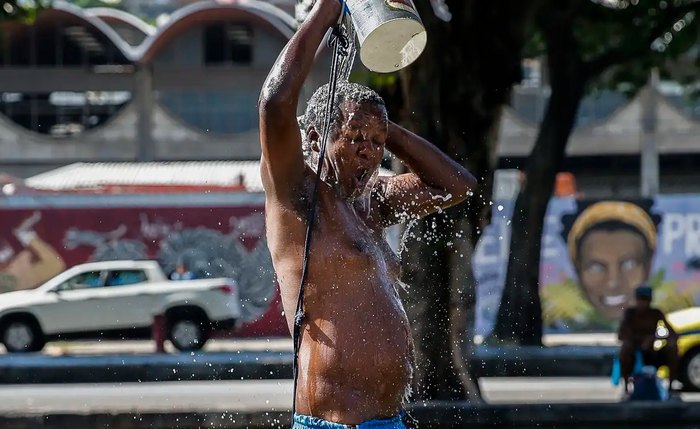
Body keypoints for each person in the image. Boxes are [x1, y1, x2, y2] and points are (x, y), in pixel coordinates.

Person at [258, 0, 476, 426]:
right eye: (355, 136)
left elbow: (458, 186)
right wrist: (326, 11)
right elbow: (274, 105)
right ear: (318, 137)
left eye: (376, 143)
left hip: (389, 420)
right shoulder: (298, 195)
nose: (369, 151)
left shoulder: (373, 202)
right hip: (334, 424)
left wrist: (384, 127)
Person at [565, 201, 658, 323]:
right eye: (596, 267)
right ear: (577, 270)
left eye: (629, 265)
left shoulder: (654, 316)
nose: (613, 283)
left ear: (648, 267)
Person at [618, 285, 680, 396]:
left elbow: (672, 333)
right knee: (625, 349)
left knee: (672, 348)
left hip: (652, 351)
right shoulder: (630, 314)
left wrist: (654, 338)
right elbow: (621, 335)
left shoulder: (655, 313)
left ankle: (671, 385)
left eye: (645, 300)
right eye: (640, 299)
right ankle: (626, 387)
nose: (643, 303)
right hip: (634, 351)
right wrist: (638, 340)